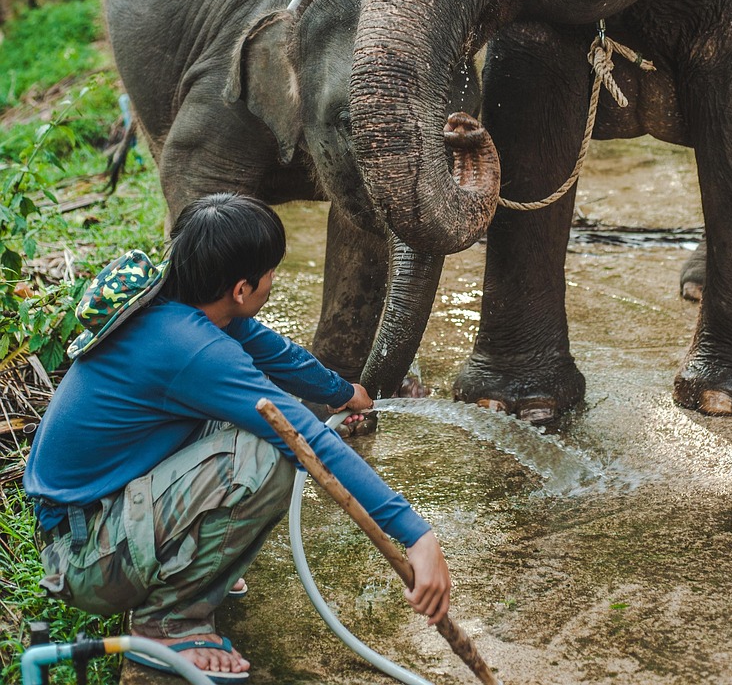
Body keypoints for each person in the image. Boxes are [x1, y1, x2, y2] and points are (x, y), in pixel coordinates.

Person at [24, 194, 451, 684]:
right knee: (270, 455)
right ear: (242, 289)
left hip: (85, 525)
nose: (273, 280)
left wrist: (342, 393)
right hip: (87, 561)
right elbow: (304, 437)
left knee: (243, 425)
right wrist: (416, 534)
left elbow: (279, 355)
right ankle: (168, 624)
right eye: (270, 272)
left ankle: (188, 567)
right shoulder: (192, 349)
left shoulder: (182, 302)